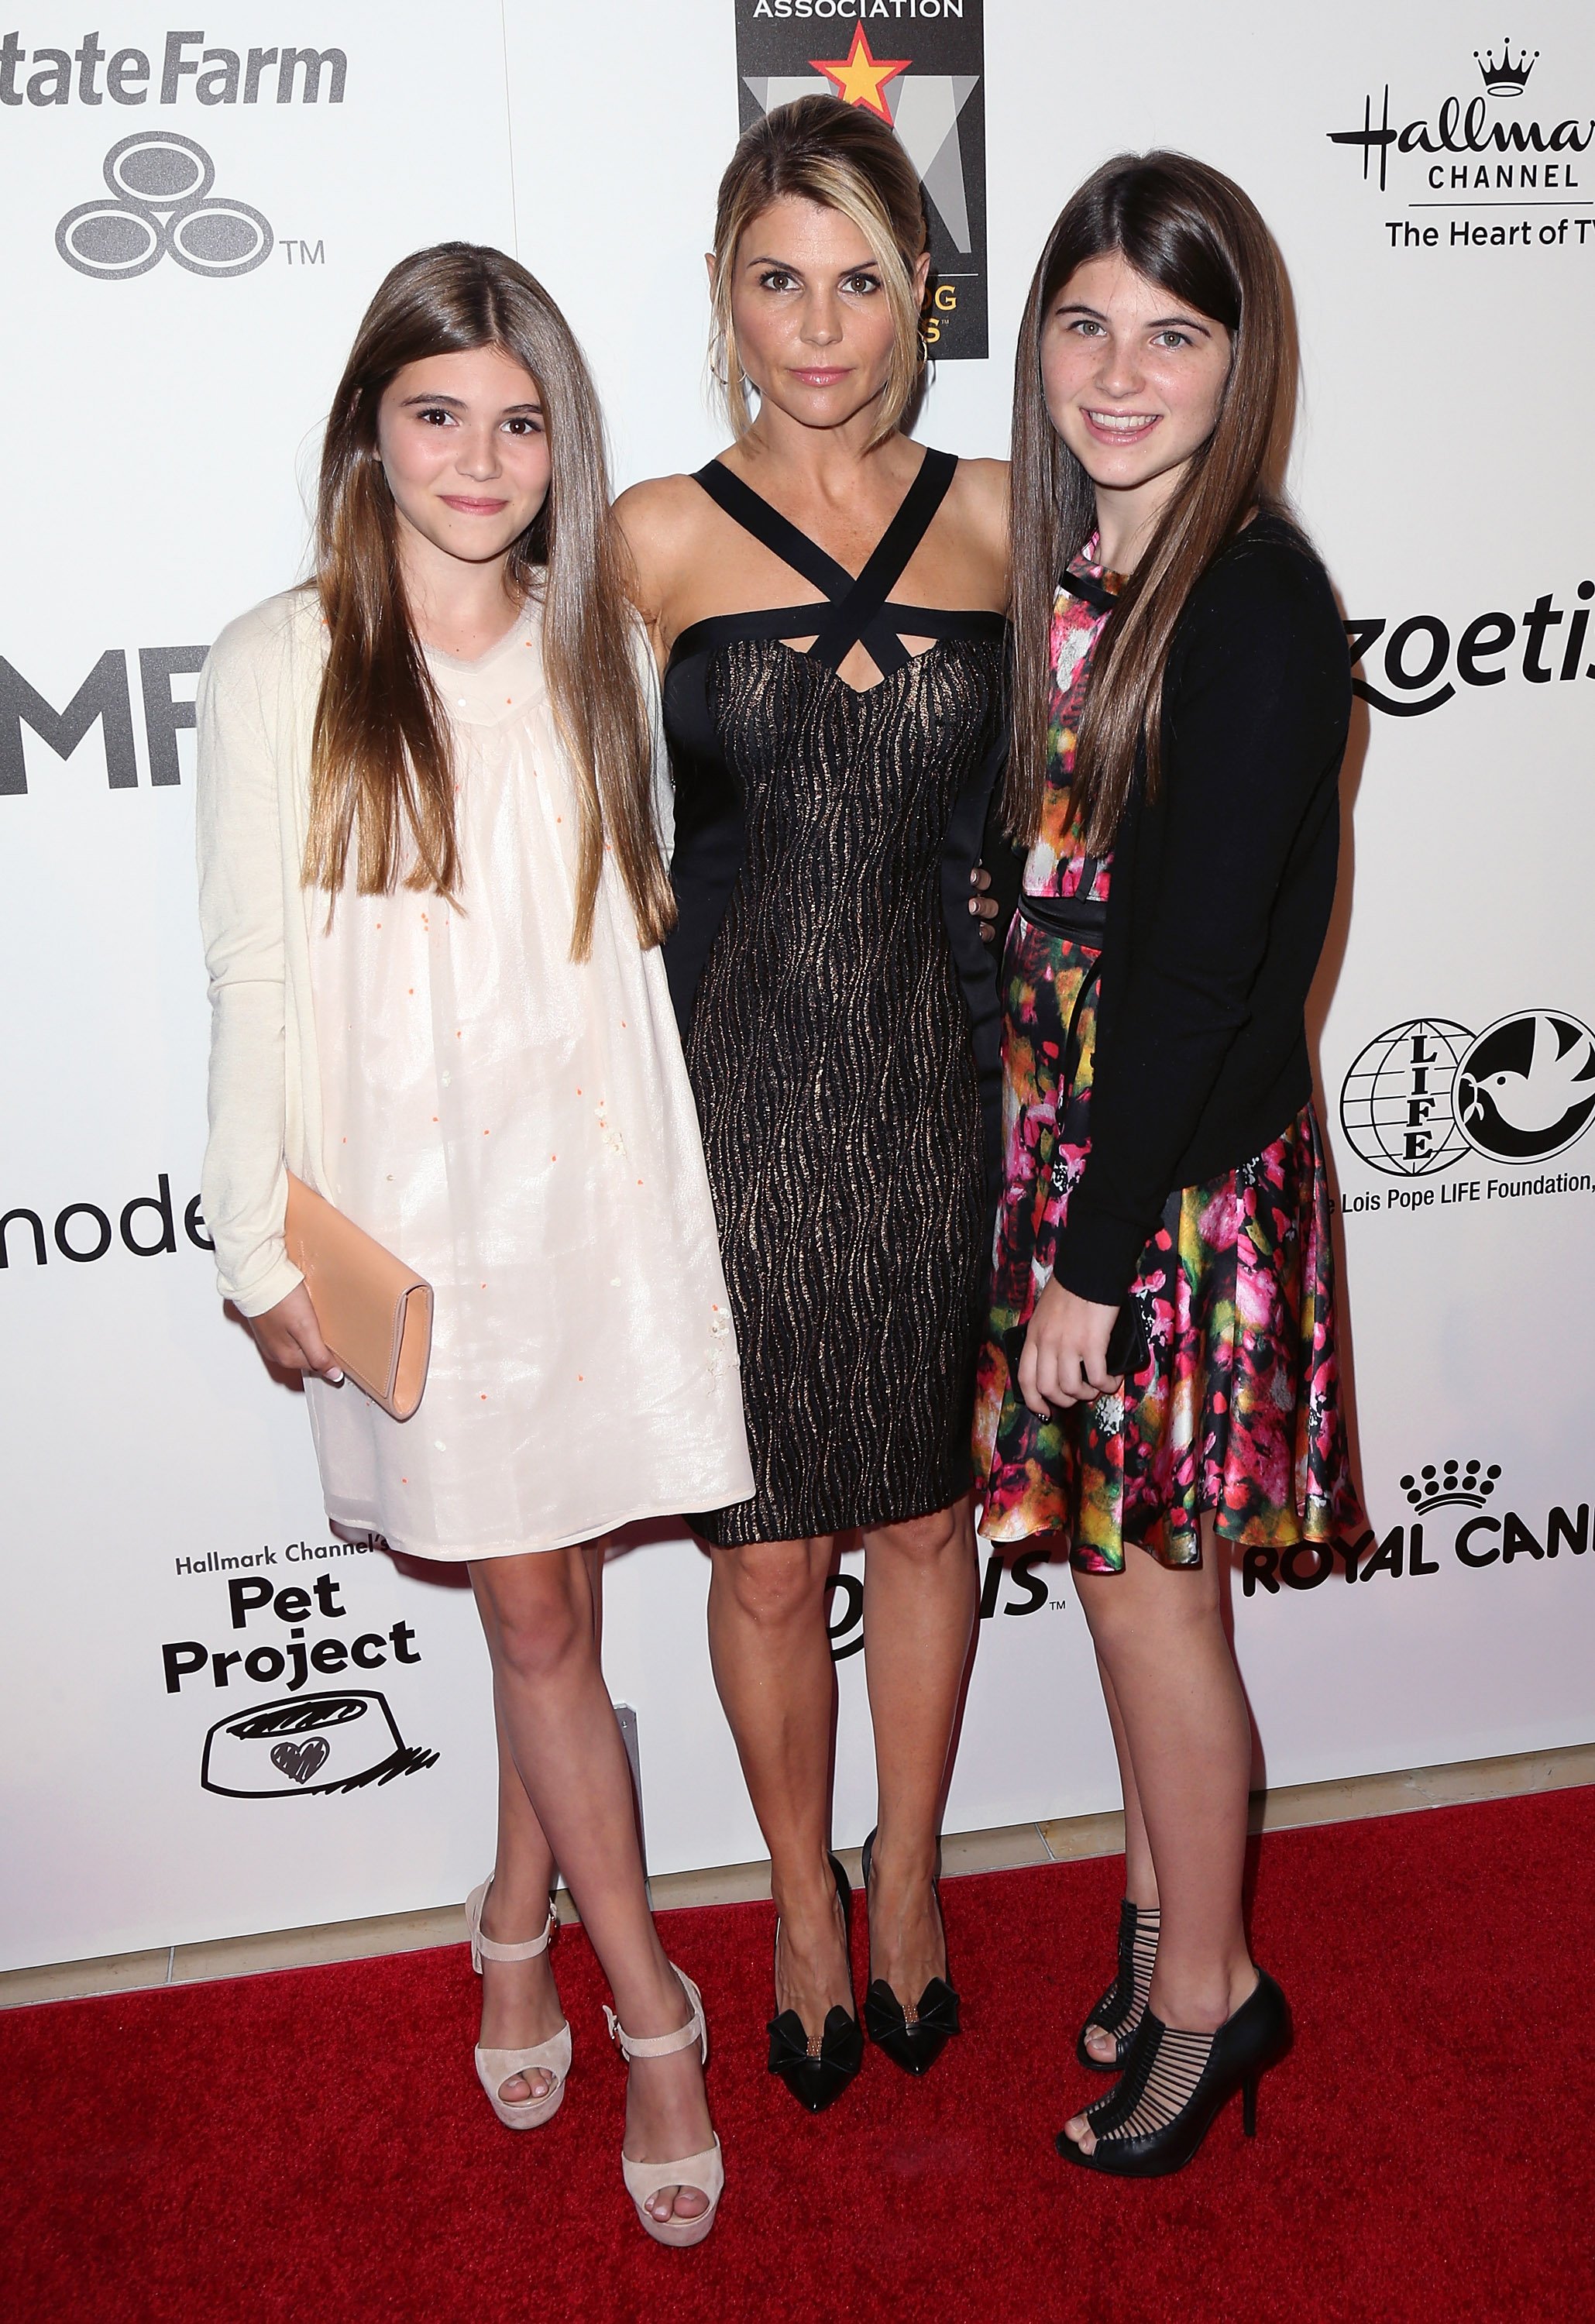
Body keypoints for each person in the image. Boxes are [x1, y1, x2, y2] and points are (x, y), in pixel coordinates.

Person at [194, 244, 754, 2246]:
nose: (480, 455)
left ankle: (514, 1912)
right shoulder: (278, 660)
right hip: (418, 1220)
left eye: (521, 421)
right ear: (373, 427)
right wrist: (248, 1229)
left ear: (559, 444)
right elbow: (253, 969)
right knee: (535, 1616)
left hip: (592, 1194)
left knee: (557, 1610)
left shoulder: (600, 643)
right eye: (439, 411)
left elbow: (629, 931)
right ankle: (656, 2015)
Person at [617, 95, 1010, 2113]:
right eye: (778, 279)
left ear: (919, 299)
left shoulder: (1011, 513)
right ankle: (792, 1893)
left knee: (928, 1524)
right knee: (769, 1555)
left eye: (860, 280)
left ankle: (914, 1874)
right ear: (719, 295)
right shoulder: (648, 537)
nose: (819, 323)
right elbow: (560, 843)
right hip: (736, 1103)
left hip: (940, 1089)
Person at [975, 153, 1366, 2176]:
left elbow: (1207, 974)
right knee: (1143, 1605)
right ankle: (1161, 1931)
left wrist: (1092, 1259)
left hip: (1168, 1208)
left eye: (1172, 332)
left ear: (1237, 361)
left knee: (1152, 1615)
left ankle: (1212, 2008)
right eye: (1085, 321)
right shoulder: (1070, 573)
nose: (1120, 371)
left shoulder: (1254, 603)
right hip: (1088, 1181)